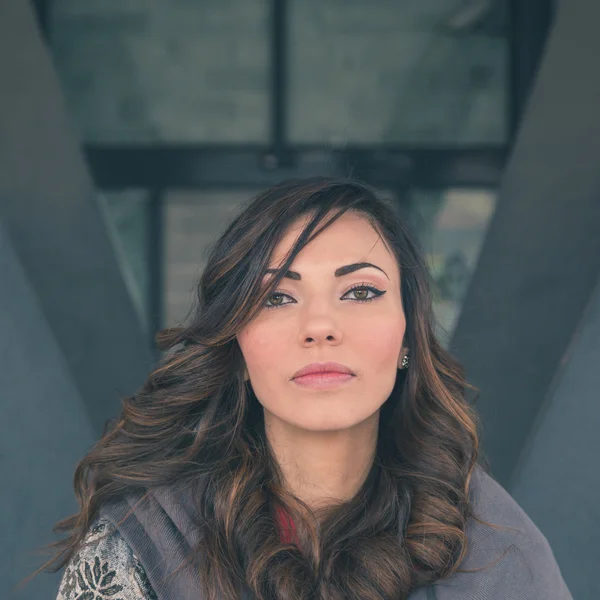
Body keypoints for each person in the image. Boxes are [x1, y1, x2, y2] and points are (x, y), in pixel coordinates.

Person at [30, 177, 570, 599]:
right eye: (277, 298)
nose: (320, 326)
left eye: (359, 292)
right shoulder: (145, 545)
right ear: (236, 348)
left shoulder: (496, 549)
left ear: (408, 335)